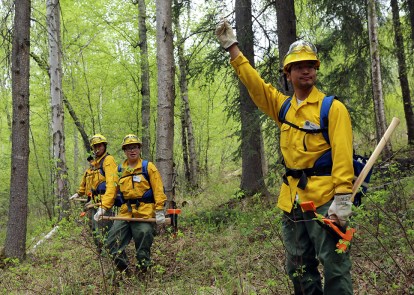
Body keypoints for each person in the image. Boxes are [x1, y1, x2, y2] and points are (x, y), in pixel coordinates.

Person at [216, 20, 354, 294]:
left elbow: (342, 156)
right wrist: (233, 48)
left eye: (310, 66)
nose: (306, 70)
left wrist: (343, 200)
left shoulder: (333, 108)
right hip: (292, 201)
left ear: (315, 70)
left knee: (335, 267)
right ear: (288, 73)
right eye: (299, 66)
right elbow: (255, 86)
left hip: (326, 201)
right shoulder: (283, 107)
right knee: (298, 267)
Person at [95, 134, 167, 276]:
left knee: (143, 245)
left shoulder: (148, 167)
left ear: (139, 149)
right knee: (111, 244)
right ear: (124, 151)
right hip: (125, 214)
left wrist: (159, 210)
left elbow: (159, 189)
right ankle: (125, 271)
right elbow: (111, 190)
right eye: (128, 148)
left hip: (144, 215)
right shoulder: (120, 170)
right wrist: (103, 207)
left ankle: (143, 272)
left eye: (134, 147)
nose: (132, 151)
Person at [87, 133, 118, 252]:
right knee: (95, 232)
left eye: (100, 146)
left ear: (104, 146)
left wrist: (104, 206)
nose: (97, 148)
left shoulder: (108, 160)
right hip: (94, 203)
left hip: (104, 203)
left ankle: (111, 254)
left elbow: (112, 184)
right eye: (95, 146)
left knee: (106, 232)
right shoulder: (95, 164)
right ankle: (101, 253)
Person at [69, 155, 96, 225]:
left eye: (92, 160)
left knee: (98, 221)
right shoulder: (87, 172)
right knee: (90, 219)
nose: (91, 162)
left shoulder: (100, 170)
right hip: (89, 198)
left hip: (99, 199)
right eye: (90, 161)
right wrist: (77, 194)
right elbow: (83, 185)